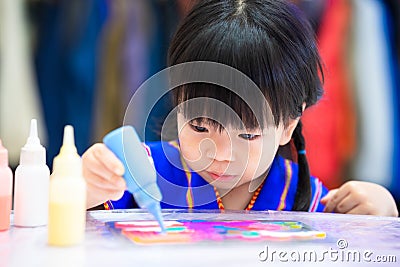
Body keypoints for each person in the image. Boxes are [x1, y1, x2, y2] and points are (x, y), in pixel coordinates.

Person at [82, 0, 398, 216]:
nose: (219, 152)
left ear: (288, 125)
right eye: (200, 127)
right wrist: (81, 187)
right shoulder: (140, 171)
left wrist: (381, 210)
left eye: (247, 134)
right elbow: (52, 220)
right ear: (178, 103)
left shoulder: (301, 196)